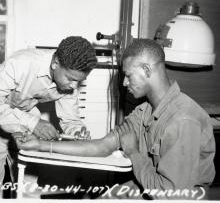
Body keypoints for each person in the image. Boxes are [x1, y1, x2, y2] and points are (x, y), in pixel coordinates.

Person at [14, 39, 216, 200]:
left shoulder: (182, 120)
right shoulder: (145, 111)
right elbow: (102, 146)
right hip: (148, 187)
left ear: (146, 70)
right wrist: (39, 145)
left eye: (128, 75)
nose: (125, 83)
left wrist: (134, 153)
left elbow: (172, 196)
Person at [0, 36, 97, 190]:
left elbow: (70, 119)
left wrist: (77, 132)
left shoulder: (70, 81)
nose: (74, 86)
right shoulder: (20, 64)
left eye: (80, 81)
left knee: (28, 186)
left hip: (21, 119)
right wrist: (33, 123)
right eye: (71, 79)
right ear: (55, 63)